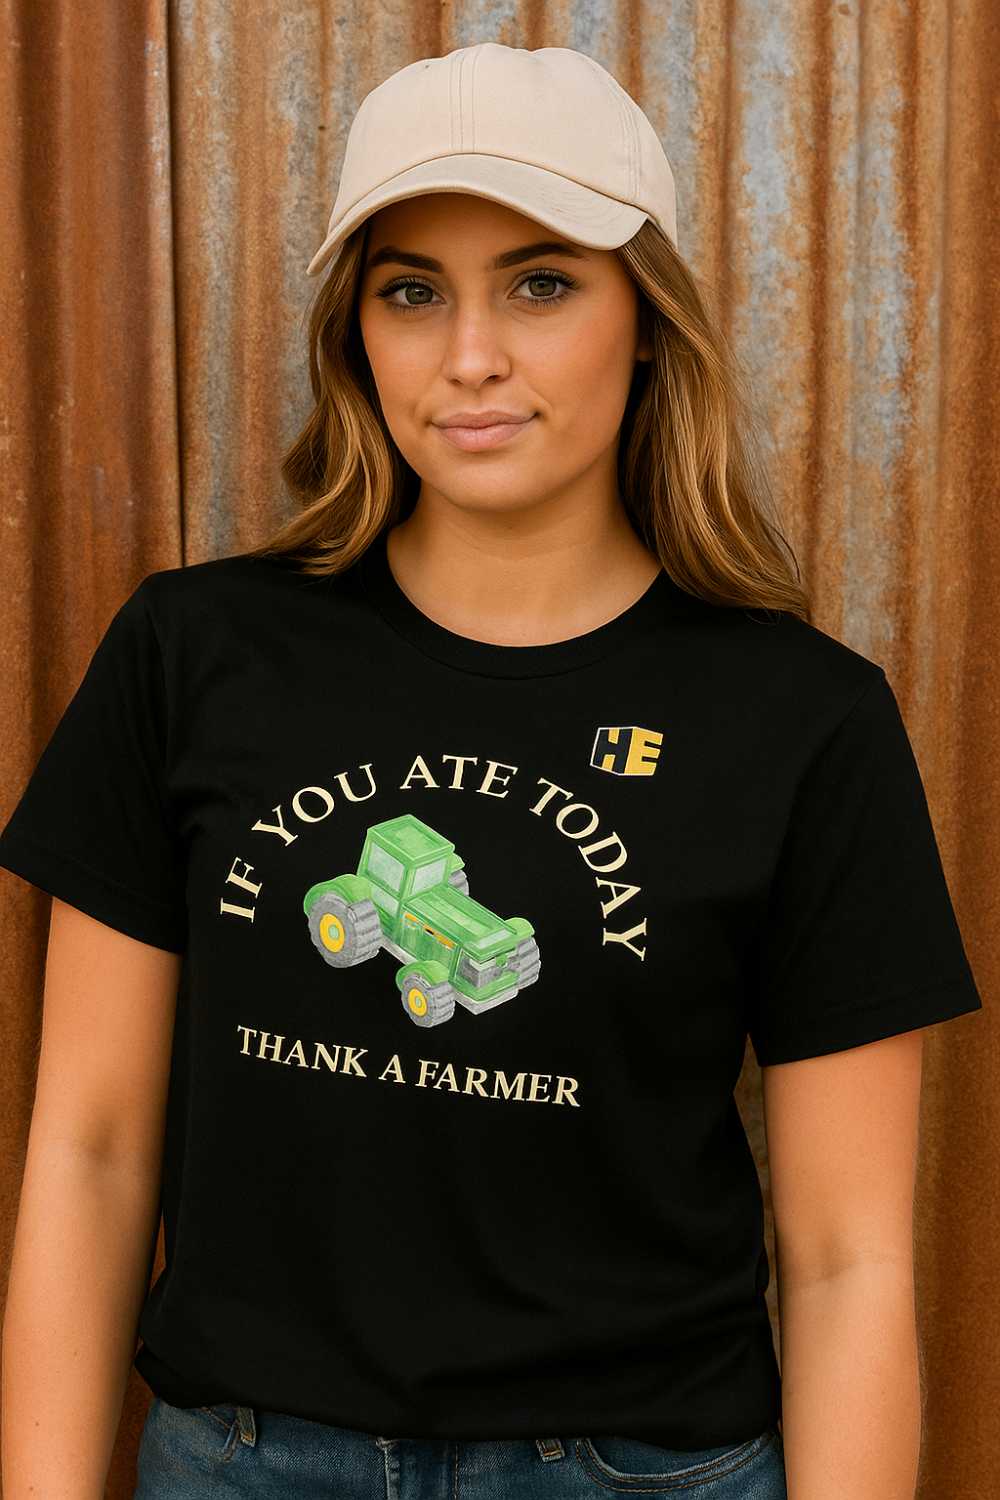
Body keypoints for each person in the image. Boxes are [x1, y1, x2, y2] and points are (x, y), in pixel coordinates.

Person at [0, 40, 982, 1500]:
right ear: (358, 333)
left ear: (644, 320)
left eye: (540, 282)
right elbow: (87, 1152)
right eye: (413, 291)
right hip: (247, 1463)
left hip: (635, 1471)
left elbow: (845, 1263)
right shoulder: (197, 653)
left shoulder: (802, 720)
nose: (471, 355)